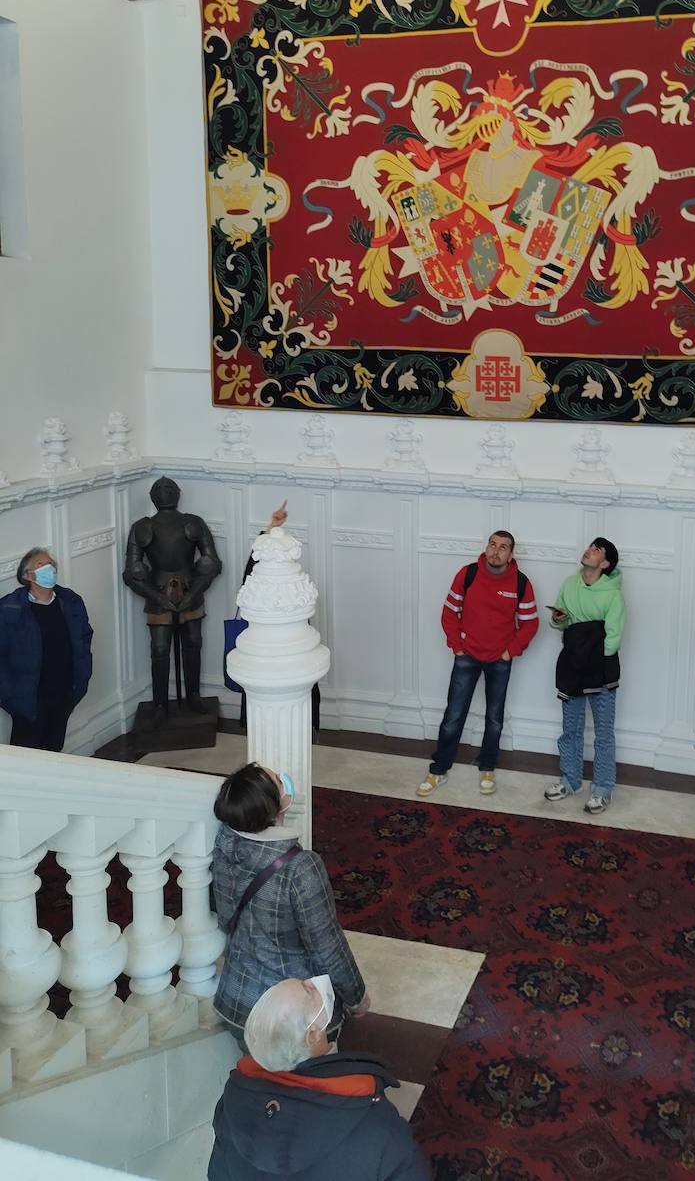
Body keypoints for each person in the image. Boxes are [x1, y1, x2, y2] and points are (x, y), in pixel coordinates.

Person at [209, 977, 428, 1181]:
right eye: (308, 990)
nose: (315, 983)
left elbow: (218, 1171)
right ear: (313, 1035)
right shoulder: (374, 1123)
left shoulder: (230, 1103)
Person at [211, 763, 367, 1041]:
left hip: (236, 1003)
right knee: (304, 1080)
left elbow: (225, 918)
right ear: (274, 806)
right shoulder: (300, 867)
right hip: (292, 1016)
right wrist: (357, 997)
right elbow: (327, 947)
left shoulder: (224, 846)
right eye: (279, 782)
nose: (285, 778)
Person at [417, 531, 538, 798]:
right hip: (467, 656)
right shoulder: (468, 574)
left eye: (503, 547)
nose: (496, 551)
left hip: (499, 660)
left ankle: (487, 767)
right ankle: (439, 769)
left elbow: (530, 622)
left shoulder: (520, 582)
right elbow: (449, 611)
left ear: (511, 554)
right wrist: (457, 646)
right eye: (492, 545)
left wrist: (510, 652)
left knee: (494, 719)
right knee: (453, 716)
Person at [123, 476, 222, 717]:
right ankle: (160, 703)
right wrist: (156, 596)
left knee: (193, 644)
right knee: (159, 649)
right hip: (157, 591)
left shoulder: (193, 522)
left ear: (178, 493)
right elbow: (131, 572)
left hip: (191, 588)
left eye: (168, 488)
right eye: (159, 488)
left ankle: (194, 695)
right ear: (152, 495)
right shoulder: (142, 527)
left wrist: (194, 592)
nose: (164, 492)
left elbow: (212, 563)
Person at [544, 537, 625, 814]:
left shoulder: (613, 594)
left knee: (603, 733)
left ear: (605, 564)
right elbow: (561, 622)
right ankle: (570, 780)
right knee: (571, 728)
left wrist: (593, 654)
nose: (589, 550)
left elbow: (613, 638)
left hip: (600, 668)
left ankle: (603, 788)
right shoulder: (569, 584)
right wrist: (559, 619)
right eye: (590, 546)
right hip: (572, 665)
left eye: (597, 550)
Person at [237, 502, 320, 735]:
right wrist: (270, 528)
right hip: (262, 656)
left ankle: (307, 729)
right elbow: (249, 572)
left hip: (292, 657)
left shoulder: (295, 589)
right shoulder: (259, 582)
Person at [0, 547, 93, 751]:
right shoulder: (9, 609)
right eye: (41, 565)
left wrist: (82, 677)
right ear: (27, 575)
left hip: (64, 694)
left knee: (54, 750)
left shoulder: (70, 601)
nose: (48, 568)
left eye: (51, 564)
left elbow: (85, 637)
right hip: (28, 699)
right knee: (27, 759)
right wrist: (10, 695)